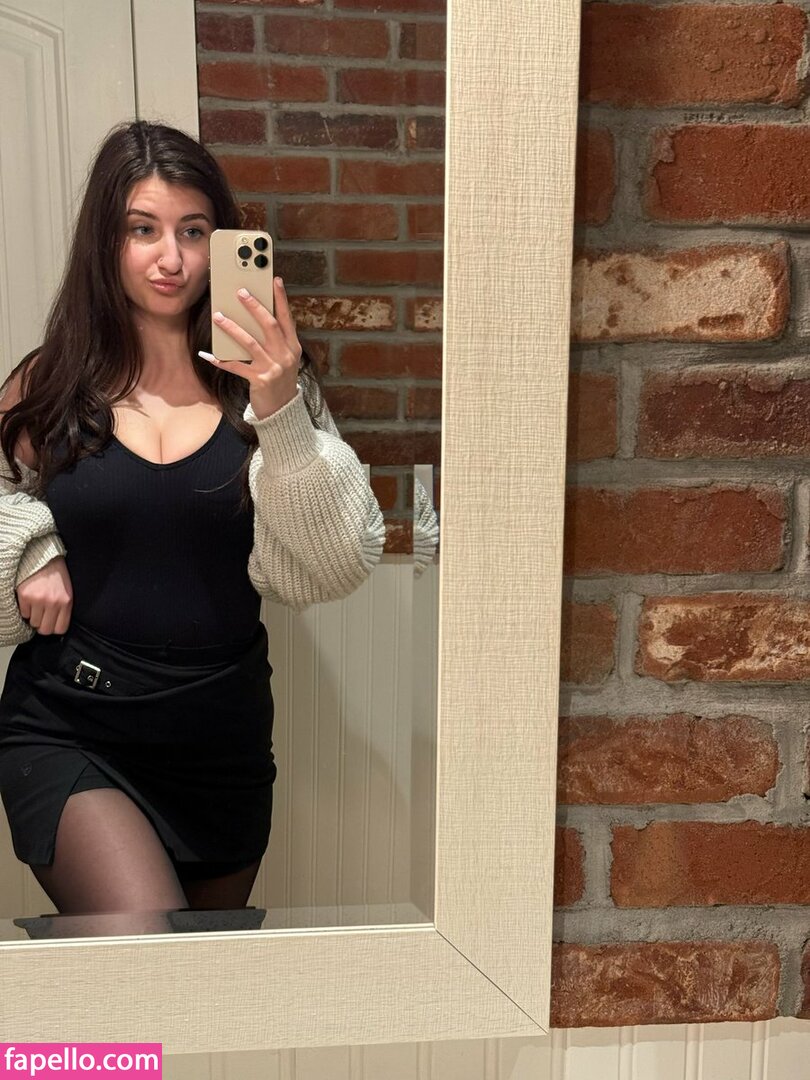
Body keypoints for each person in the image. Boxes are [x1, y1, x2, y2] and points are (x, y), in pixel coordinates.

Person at [0, 120, 385, 925]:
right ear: (106, 242)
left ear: (222, 243)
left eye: (194, 231)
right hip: (74, 723)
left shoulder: (270, 388)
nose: (170, 258)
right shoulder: (51, 383)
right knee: (145, 945)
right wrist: (27, 545)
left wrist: (278, 407)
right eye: (143, 229)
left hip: (219, 738)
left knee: (194, 984)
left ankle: (92, 1026)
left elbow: (332, 566)